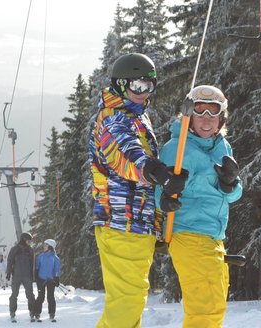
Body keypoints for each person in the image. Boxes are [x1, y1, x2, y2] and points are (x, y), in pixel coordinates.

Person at [88, 52, 188, 328]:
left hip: (137, 223)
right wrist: (155, 171)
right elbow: (126, 154)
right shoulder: (113, 118)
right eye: (138, 86)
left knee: (130, 300)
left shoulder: (138, 118)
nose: (144, 93)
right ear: (120, 84)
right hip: (121, 220)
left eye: (149, 86)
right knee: (127, 301)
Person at [155, 85, 243, 328]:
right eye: (199, 111)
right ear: (188, 115)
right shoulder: (178, 148)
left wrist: (229, 184)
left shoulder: (223, 147)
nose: (206, 119)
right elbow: (158, 191)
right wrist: (166, 199)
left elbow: (235, 195)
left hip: (214, 236)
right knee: (206, 309)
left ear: (222, 117)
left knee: (213, 307)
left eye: (212, 112)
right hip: (188, 232)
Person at [5, 232, 36, 323]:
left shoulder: (30, 250)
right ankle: (12, 313)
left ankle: (32, 312)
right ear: (23, 240)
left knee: (30, 294)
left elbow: (32, 264)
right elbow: (10, 261)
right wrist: (8, 273)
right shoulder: (14, 249)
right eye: (28, 241)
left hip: (27, 276)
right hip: (16, 275)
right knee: (14, 295)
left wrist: (33, 276)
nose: (29, 242)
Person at [33, 239, 61, 322]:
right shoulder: (41, 256)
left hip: (51, 280)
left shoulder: (55, 258)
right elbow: (37, 267)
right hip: (41, 279)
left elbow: (57, 269)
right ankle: (37, 313)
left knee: (50, 297)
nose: (44, 246)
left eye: (45, 245)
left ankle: (52, 313)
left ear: (50, 247)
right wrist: (36, 277)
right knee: (41, 296)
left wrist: (57, 278)